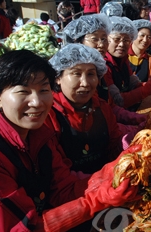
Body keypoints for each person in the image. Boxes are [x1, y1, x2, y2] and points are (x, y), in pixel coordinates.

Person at [0, 49, 137, 232]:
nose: (37, 102)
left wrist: (115, 173)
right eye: (23, 92)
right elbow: (27, 227)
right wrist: (99, 198)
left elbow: (63, 189)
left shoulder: (40, 135)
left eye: (43, 90)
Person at [62, 14, 147, 146]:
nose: (101, 44)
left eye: (104, 38)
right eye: (94, 39)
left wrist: (140, 122)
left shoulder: (99, 71)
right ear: (78, 41)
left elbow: (109, 109)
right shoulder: (68, 78)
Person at [45, 44, 125, 175]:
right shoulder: (49, 116)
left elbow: (114, 144)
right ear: (58, 78)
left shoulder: (102, 107)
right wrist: (104, 181)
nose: (85, 83)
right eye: (76, 74)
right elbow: (59, 175)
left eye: (90, 74)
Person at [104, 16, 151, 110]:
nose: (122, 44)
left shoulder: (123, 60)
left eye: (126, 40)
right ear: (106, 40)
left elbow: (134, 83)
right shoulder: (104, 67)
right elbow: (117, 101)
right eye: (117, 39)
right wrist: (146, 90)